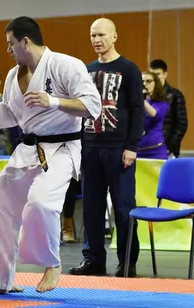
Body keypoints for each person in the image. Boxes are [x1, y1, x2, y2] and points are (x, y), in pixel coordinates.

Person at [0, 16, 101, 294]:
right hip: (26, 150)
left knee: (40, 204)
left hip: (60, 149)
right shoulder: (13, 75)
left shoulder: (65, 64)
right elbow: (7, 117)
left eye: (11, 44)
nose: (8, 50)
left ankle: (52, 263)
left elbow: (92, 106)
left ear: (25, 41)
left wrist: (54, 101)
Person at [68, 17, 143, 278]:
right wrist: (77, 150)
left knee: (123, 209)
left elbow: (136, 110)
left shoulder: (129, 69)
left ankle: (127, 261)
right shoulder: (85, 70)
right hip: (90, 147)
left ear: (114, 37)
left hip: (119, 148)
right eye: (92, 36)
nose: (96, 40)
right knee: (92, 209)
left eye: (101, 35)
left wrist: (132, 146)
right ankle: (94, 260)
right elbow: (77, 112)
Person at [149, 59, 188, 158]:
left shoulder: (175, 95)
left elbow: (181, 124)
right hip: (146, 147)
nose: (155, 78)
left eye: (158, 74)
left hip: (166, 149)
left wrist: (169, 147)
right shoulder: (144, 95)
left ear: (165, 74)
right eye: (152, 74)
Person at [137, 71, 169, 160]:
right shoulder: (133, 102)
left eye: (148, 81)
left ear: (155, 83)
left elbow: (155, 115)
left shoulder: (162, 102)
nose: (144, 84)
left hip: (156, 151)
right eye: (142, 81)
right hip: (137, 150)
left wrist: (142, 100)